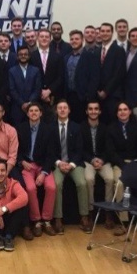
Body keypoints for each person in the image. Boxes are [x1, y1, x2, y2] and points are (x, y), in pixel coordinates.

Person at [17, 103, 58, 238]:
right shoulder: (21, 128)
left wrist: (43, 172)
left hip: (43, 166)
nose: (33, 113)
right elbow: (16, 151)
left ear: (41, 113)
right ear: (27, 113)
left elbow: (51, 154)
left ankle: (47, 220)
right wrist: (22, 161)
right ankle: (36, 221)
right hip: (27, 165)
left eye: (36, 111)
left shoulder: (49, 129)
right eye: (31, 111)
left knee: (51, 187)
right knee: (30, 188)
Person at [104, 101, 137, 235]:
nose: (122, 112)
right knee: (120, 184)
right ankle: (123, 221)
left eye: (125, 109)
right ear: (116, 113)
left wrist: (135, 164)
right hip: (119, 164)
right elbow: (111, 152)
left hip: (136, 163)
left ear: (130, 111)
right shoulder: (111, 128)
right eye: (120, 110)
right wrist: (123, 165)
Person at [52, 100, 91, 234]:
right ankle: (58, 219)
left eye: (65, 108)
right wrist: (58, 163)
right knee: (57, 184)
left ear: (69, 110)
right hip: (58, 164)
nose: (62, 110)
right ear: (56, 111)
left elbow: (80, 149)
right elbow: (49, 151)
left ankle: (84, 217)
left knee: (82, 183)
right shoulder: (50, 127)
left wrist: (71, 164)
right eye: (59, 108)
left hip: (74, 163)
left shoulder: (76, 127)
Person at [80, 100, 116, 228]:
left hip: (103, 160)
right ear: (86, 111)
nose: (93, 111)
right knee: (89, 179)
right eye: (90, 109)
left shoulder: (106, 128)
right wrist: (92, 160)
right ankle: (90, 212)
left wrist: (101, 160)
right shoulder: (81, 127)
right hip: (88, 160)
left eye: (96, 109)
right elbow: (81, 149)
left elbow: (109, 148)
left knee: (110, 179)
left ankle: (108, 213)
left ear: (100, 111)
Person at [95, 22, 127, 124]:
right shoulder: (97, 51)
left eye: (108, 31)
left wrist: (106, 91)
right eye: (102, 31)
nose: (105, 33)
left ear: (112, 33)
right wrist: (97, 90)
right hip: (98, 96)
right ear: (99, 33)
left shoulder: (119, 50)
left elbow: (118, 73)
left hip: (113, 95)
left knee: (113, 124)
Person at [30, 29, 65, 119]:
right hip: (37, 98)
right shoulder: (31, 56)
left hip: (53, 97)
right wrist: (41, 92)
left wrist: (49, 91)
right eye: (42, 37)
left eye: (46, 37)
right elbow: (31, 78)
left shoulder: (58, 56)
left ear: (50, 39)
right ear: (38, 38)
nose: (44, 39)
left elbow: (60, 77)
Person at [8, 45, 41, 125]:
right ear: (17, 56)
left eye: (25, 54)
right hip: (17, 107)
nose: (23, 56)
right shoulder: (12, 71)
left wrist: (29, 103)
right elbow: (12, 89)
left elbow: (37, 89)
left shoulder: (35, 70)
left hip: (33, 107)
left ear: (29, 56)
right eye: (20, 54)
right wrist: (22, 103)